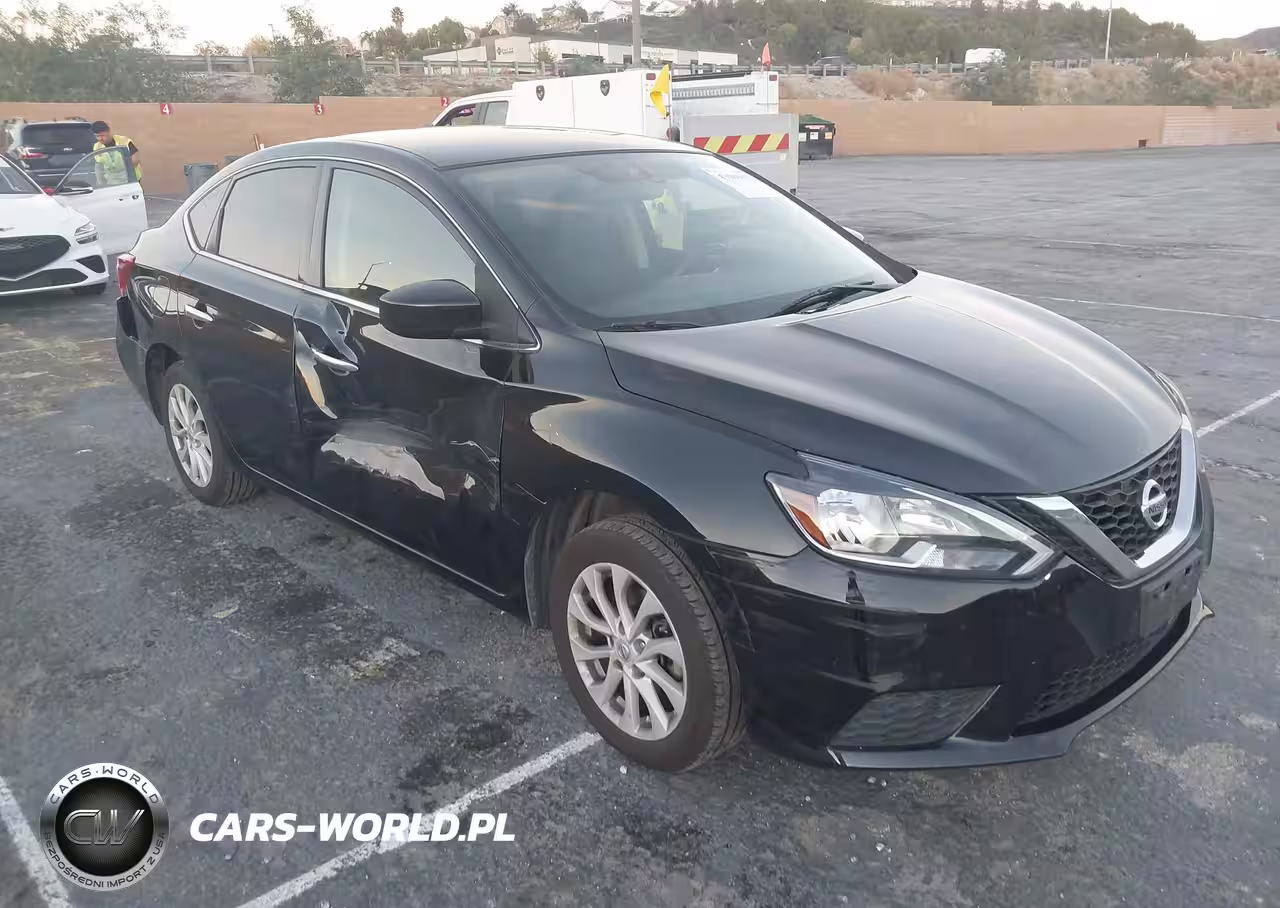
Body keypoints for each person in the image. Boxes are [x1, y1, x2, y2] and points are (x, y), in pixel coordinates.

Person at [91, 120, 142, 186]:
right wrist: (101, 183)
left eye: (102, 135)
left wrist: (126, 172)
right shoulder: (97, 147)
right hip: (112, 181)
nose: (100, 138)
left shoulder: (124, 141)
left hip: (131, 179)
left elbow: (136, 158)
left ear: (108, 132)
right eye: (97, 136)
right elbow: (99, 167)